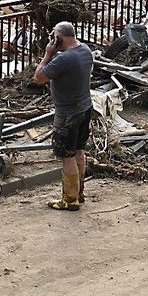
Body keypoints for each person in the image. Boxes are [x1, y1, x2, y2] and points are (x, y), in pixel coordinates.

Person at [34, 21, 94, 211]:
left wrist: (48, 54)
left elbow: (39, 77)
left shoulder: (63, 59)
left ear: (58, 38)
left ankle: (69, 200)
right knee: (78, 150)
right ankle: (79, 192)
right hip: (85, 108)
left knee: (66, 156)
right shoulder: (85, 50)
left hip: (68, 114)